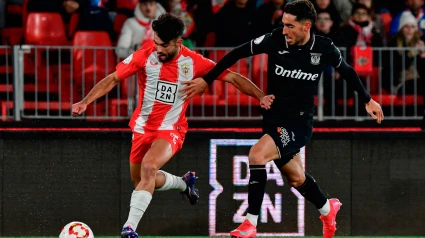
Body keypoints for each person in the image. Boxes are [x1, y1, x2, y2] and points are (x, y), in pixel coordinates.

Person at [180, 1, 384, 237]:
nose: (284, 30)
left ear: (306, 26)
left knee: (257, 155)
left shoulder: (325, 48)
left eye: (290, 26)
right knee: (296, 179)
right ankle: (328, 208)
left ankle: (250, 224)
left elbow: (347, 71)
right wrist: (207, 80)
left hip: (298, 123)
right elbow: (236, 53)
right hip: (273, 119)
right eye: (283, 24)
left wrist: (368, 99)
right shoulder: (275, 39)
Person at [71, 13, 273, 238]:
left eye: (164, 45)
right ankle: (183, 183)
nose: (158, 49)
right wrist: (85, 101)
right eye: (156, 43)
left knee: (149, 168)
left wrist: (261, 96)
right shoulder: (145, 55)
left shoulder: (194, 62)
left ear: (179, 42)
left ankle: (129, 229)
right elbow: (112, 79)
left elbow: (234, 77)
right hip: (141, 128)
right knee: (141, 180)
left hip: (171, 129)